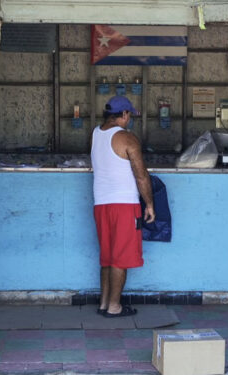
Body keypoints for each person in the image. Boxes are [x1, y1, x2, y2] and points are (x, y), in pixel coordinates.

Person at [91, 96, 155, 318]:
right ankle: (115, 306)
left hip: (101, 204)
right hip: (124, 205)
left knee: (108, 256)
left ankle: (104, 303)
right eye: (130, 115)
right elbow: (142, 176)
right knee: (120, 257)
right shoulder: (127, 138)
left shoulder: (96, 133)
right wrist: (149, 204)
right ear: (125, 114)